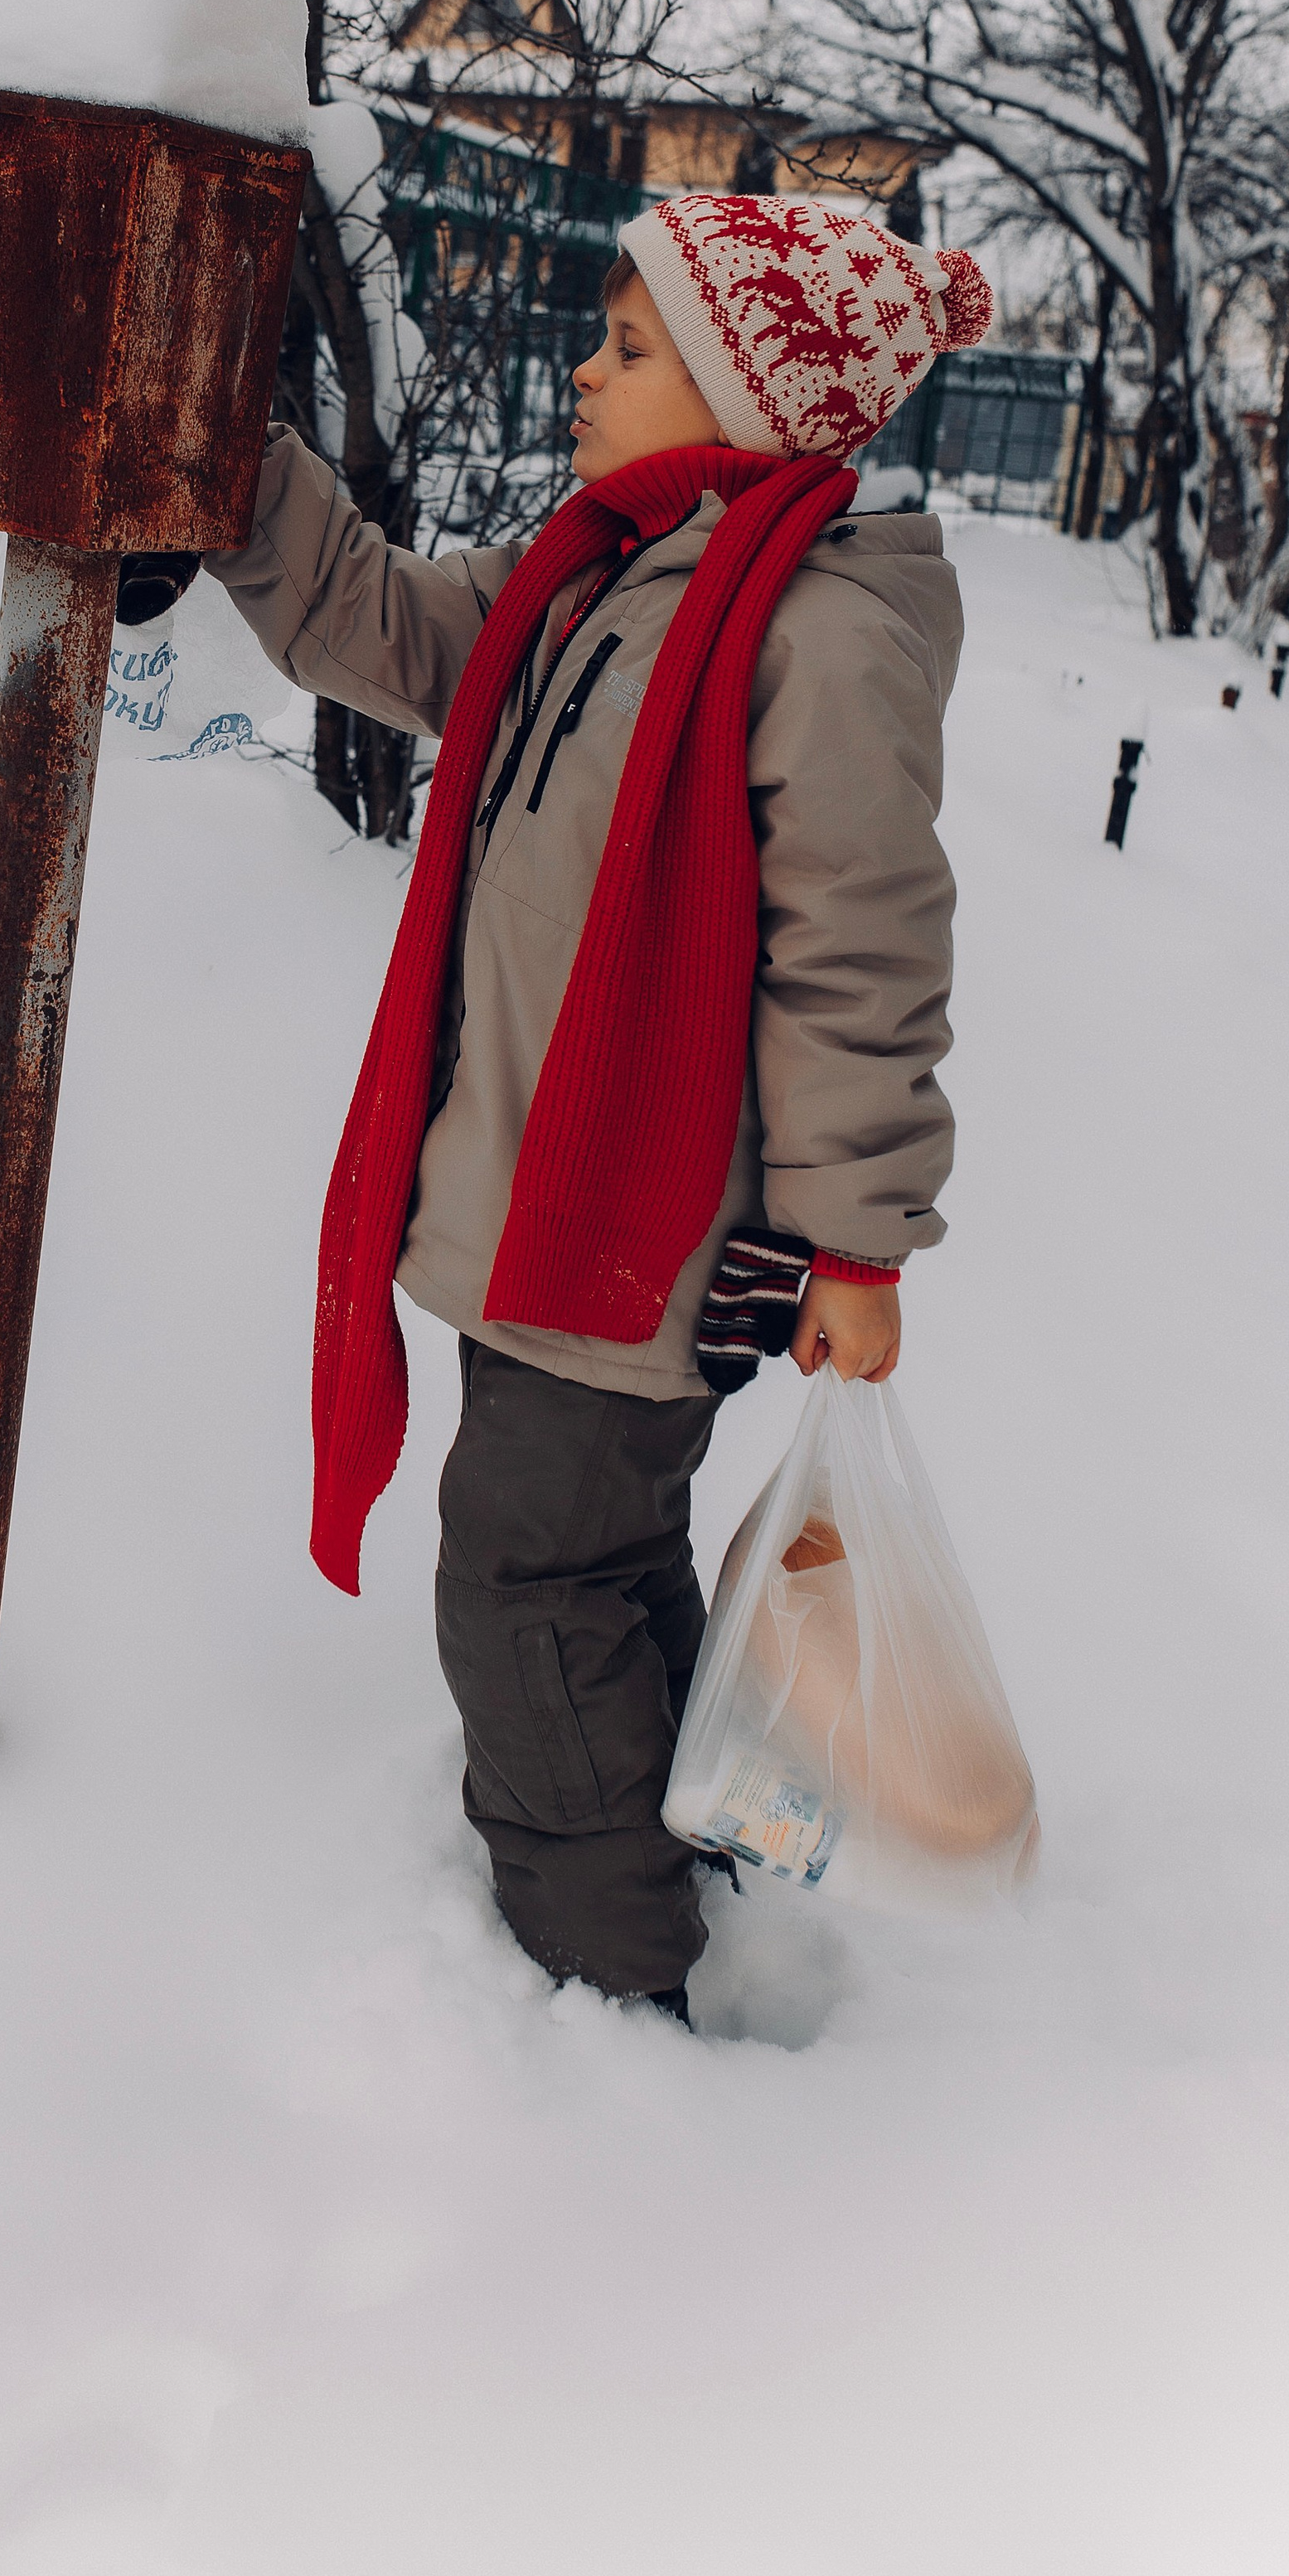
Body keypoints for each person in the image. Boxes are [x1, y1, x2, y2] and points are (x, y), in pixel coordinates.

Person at [202, 189, 986, 2023]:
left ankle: (604, 1975)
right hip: (539, 1201)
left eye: (629, 347)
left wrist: (858, 1241)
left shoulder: (817, 637)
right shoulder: (601, 574)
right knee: (597, 1550)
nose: (584, 366)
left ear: (745, 394)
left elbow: (859, 954)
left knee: (521, 1587)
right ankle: (688, 1859)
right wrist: (228, 472)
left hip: (647, 1231)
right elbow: (384, 627)